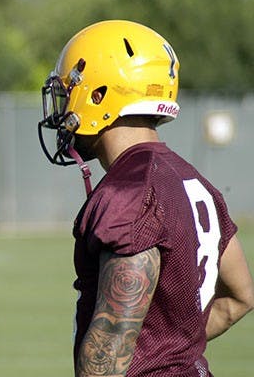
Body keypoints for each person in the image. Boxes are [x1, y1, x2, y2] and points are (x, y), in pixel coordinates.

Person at [37, 20, 254, 376]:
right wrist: (170, 354)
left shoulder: (130, 193)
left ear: (97, 96)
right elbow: (239, 298)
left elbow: (108, 356)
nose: (60, 112)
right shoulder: (194, 181)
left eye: (66, 94)